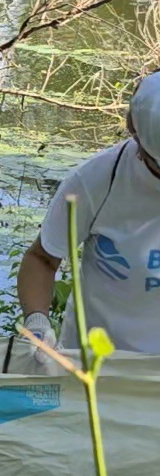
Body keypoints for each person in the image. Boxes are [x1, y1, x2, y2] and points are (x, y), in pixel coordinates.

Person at [18, 71, 160, 354]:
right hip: (99, 363)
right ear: (140, 144)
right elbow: (42, 259)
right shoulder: (97, 181)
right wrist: (37, 325)